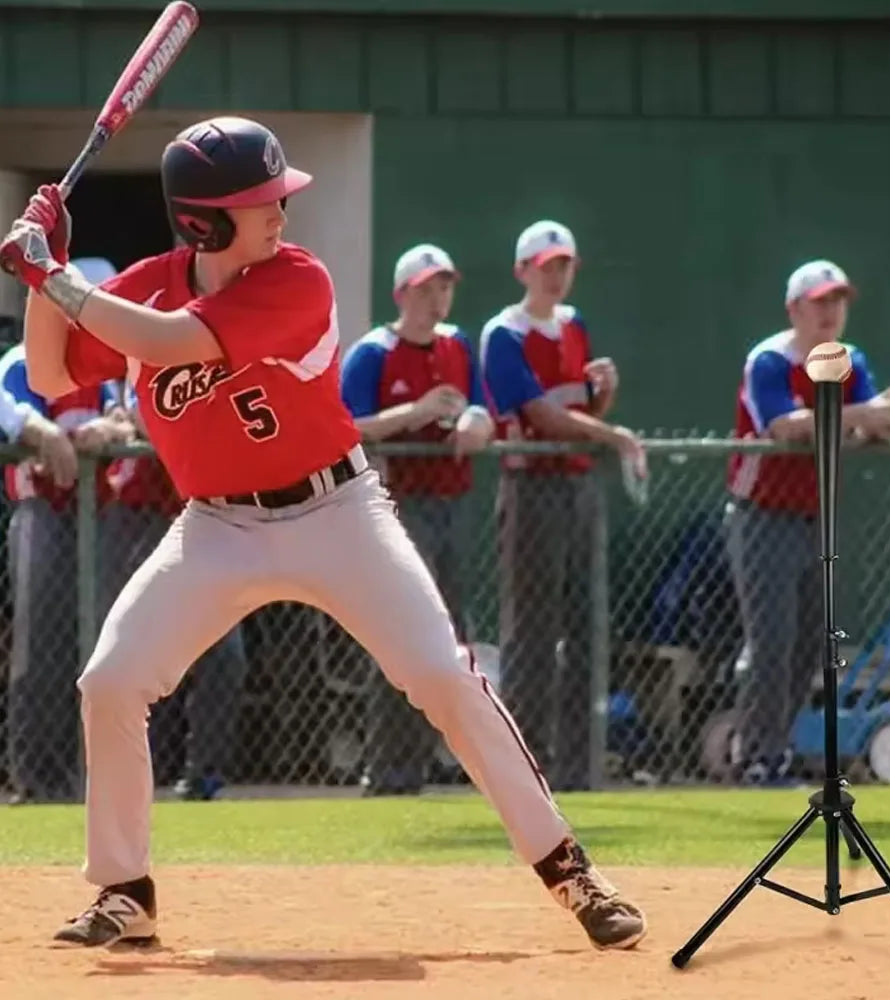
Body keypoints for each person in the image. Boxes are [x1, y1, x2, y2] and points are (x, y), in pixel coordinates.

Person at [0, 116, 646, 951]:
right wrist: (39, 269)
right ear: (203, 220)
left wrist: (55, 276)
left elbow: (166, 342)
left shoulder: (296, 279)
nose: (282, 211)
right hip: (217, 526)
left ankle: (570, 871)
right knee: (113, 681)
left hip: (338, 514)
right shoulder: (145, 283)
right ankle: (124, 890)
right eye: (262, 201)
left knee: (440, 676)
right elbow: (51, 372)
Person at [480, 220, 645, 791]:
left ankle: (579, 769)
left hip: (578, 487)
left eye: (564, 265)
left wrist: (606, 395)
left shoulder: (575, 327)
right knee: (530, 633)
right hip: (531, 489)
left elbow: (580, 414)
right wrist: (616, 434)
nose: (556, 275)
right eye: (545, 265)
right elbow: (542, 416)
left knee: (583, 630)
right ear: (522, 270)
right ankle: (524, 765)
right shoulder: (503, 332)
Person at [724, 260, 890, 784]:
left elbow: (871, 422)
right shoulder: (771, 360)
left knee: (808, 647)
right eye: (819, 302)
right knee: (771, 642)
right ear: (794, 308)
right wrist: (863, 417)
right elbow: (784, 425)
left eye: (837, 301)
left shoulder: (850, 360)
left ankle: (777, 751)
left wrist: (876, 418)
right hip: (763, 516)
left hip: (815, 518)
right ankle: (755, 757)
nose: (830, 312)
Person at [340, 242, 493, 795]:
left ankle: (441, 760)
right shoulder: (374, 352)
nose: (437, 299)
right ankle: (389, 769)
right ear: (402, 294)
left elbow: (482, 405)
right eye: (426, 289)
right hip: (395, 508)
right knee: (398, 634)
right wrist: (417, 412)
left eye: (444, 287)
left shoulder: (459, 346)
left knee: (448, 637)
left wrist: (476, 424)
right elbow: (345, 426)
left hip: (451, 504)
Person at [0, 302, 130, 804]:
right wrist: (54, 433)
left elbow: (128, 418)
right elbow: (14, 412)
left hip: (100, 514)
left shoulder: (104, 364)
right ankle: (37, 780)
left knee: (103, 652)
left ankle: (94, 778)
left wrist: (110, 432)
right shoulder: (23, 359)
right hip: (43, 512)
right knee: (42, 650)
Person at [102, 374, 250, 800]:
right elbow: (142, 414)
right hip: (139, 519)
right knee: (127, 656)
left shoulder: (223, 356)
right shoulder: (142, 354)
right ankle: (121, 778)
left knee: (225, 653)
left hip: (209, 519)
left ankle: (205, 775)